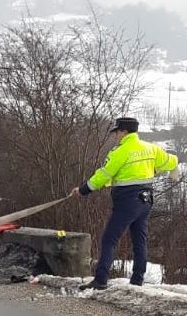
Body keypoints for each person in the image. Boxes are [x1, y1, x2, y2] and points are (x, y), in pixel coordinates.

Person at [70, 117, 179, 290]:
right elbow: (170, 160)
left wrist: (83, 190)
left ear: (124, 131)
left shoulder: (120, 152)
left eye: (117, 132)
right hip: (146, 199)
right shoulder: (151, 148)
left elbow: (104, 175)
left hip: (127, 201)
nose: (116, 136)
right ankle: (137, 281)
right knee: (139, 240)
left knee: (109, 239)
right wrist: (174, 169)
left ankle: (100, 280)